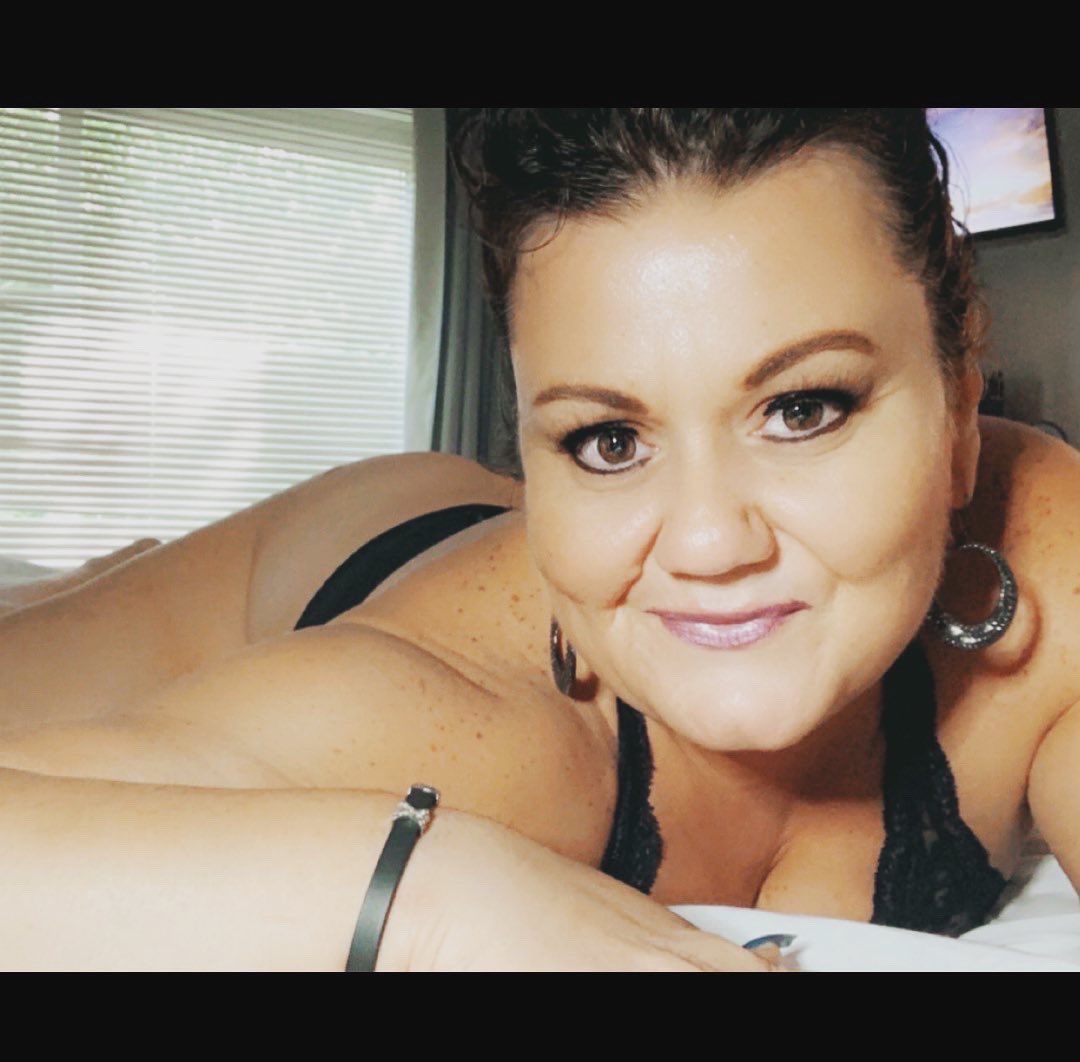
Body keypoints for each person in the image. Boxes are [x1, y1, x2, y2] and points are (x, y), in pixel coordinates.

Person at [0, 108, 1077, 970]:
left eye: (803, 409)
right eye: (607, 438)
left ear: (958, 414)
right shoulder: (437, 726)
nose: (710, 543)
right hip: (346, 546)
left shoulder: (1048, 545)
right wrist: (426, 902)